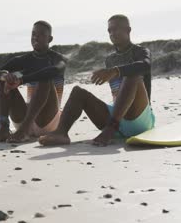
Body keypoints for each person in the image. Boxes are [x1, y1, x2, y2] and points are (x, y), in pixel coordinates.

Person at [39, 14, 155, 146]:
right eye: (109, 30)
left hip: (139, 120)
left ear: (128, 30)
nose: (112, 33)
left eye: (116, 29)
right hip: (117, 121)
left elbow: (145, 65)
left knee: (132, 75)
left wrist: (115, 71)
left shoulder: (141, 51)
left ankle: (111, 128)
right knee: (78, 92)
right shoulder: (110, 59)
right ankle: (61, 133)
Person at [0, 20, 66, 143]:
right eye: (33, 34)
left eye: (41, 34)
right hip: (24, 118)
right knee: (2, 79)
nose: (36, 37)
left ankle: (24, 131)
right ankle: (3, 127)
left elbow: (54, 71)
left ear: (50, 39)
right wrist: (4, 76)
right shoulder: (24, 59)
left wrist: (22, 80)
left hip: (48, 121)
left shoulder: (58, 58)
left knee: (45, 78)